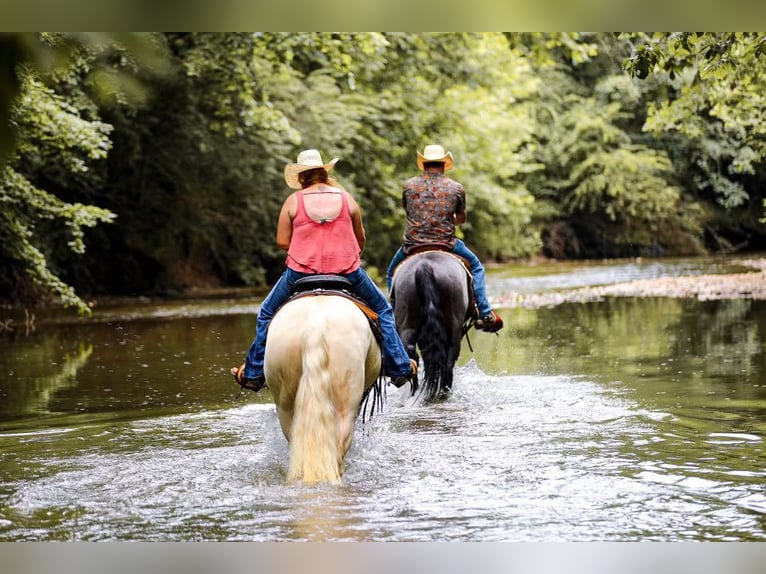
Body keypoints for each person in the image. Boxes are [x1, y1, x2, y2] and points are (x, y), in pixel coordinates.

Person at [231, 149, 417, 392]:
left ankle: (254, 373)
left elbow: (282, 241)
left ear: (301, 177)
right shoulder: (346, 198)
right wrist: (343, 254)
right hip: (346, 271)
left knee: (266, 313)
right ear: (323, 171)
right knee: (382, 309)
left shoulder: (293, 201)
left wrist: (306, 248)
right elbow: (360, 238)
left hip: (300, 272)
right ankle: (400, 367)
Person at [385, 144, 503, 333]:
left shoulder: (408, 186)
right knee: (477, 266)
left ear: (423, 164)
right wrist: (446, 218)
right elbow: (461, 219)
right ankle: (485, 311)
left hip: (412, 245)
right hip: (446, 244)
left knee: (391, 273)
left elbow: (409, 211)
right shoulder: (456, 188)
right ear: (443, 165)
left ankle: (392, 315)